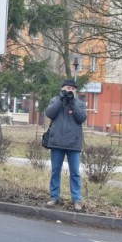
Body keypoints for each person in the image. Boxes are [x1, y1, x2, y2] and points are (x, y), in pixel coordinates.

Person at [44, 78, 87, 211]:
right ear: (62, 89)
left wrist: (72, 102)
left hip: (73, 143)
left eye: (73, 89)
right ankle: (54, 197)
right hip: (57, 142)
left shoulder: (79, 104)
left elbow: (81, 118)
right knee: (55, 171)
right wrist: (61, 99)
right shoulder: (55, 100)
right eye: (68, 88)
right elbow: (50, 113)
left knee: (75, 173)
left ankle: (76, 199)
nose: (70, 91)